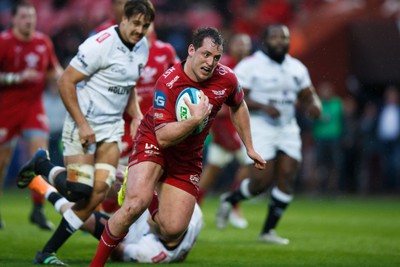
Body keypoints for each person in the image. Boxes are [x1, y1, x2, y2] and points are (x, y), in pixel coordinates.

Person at [89, 27, 266, 266]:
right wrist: (194, 120)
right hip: (155, 143)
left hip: (187, 157)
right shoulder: (169, 82)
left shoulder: (227, 78)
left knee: (172, 229)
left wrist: (250, 146)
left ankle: (146, 191)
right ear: (191, 50)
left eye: (216, 57)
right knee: (133, 206)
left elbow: (239, 105)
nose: (210, 62)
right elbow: (163, 138)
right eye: (205, 54)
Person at [17, 0, 155, 265]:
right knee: (77, 191)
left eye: (145, 25)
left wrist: (136, 114)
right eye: (136, 23)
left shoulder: (142, 47)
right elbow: (65, 80)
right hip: (84, 123)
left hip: (112, 129)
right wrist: (82, 123)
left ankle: (46, 253)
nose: (140, 30)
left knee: (97, 194)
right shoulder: (99, 44)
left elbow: (129, 86)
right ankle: (41, 163)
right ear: (123, 19)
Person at [216, 24, 321, 245]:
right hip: (259, 126)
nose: (280, 41)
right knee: (261, 182)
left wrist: (314, 105)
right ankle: (231, 198)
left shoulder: (296, 67)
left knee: (288, 175)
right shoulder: (250, 65)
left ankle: (268, 231)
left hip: (287, 126)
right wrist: (263, 107)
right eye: (274, 37)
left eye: (284, 37)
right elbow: (236, 98)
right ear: (264, 41)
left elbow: (308, 93)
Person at [23, 173, 203, 264]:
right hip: (136, 210)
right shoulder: (193, 212)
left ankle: (42, 185)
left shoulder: (149, 253)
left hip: (126, 233)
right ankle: (49, 171)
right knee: (111, 179)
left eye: (158, 218)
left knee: (84, 215)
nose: (155, 215)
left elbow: (117, 252)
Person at [0, 0, 63, 230]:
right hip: (6, 110)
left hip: (33, 108)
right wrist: (15, 78)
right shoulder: (3, 42)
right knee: (2, 163)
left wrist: (62, 76)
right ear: (13, 19)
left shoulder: (42, 42)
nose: (29, 21)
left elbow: (52, 69)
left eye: (32, 17)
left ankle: (37, 209)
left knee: (40, 157)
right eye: (24, 17)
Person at [197, 32, 252, 229]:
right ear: (232, 46)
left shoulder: (252, 66)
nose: (242, 48)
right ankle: (226, 204)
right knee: (247, 163)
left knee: (217, 169)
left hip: (239, 124)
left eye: (245, 44)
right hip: (224, 126)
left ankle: (231, 204)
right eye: (239, 43)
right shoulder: (223, 65)